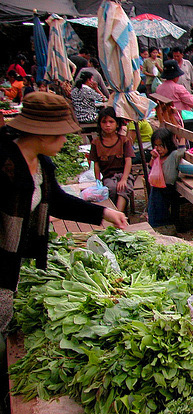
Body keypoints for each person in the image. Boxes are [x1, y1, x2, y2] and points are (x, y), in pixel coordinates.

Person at [0, 92, 127, 333]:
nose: (65, 141)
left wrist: (104, 214)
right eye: (62, 136)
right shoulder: (5, 164)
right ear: (42, 134)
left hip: (11, 261)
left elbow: (56, 201)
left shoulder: (41, 163)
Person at [90, 107, 135, 212]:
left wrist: (124, 179)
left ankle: (120, 214)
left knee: (123, 188)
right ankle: (116, 214)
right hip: (108, 176)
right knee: (112, 188)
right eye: (104, 122)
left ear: (117, 124)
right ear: (100, 124)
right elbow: (96, 164)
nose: (108, 125)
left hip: (125, 174)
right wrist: (98, 181)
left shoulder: (124, 141)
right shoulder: (96, 143)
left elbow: (128, 161)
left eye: (111, 122)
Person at [147, 128, 185, 228]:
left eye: (161, 145)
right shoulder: (157, 156)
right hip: (158, 186)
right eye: (156, 145)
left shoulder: (173, 155)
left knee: (160, 205)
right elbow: (150, 167)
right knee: (154, 204)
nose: (158, 148)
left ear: (168, 144)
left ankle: (162, 223)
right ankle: (156, 222)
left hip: (168, 187)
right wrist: (153, 158)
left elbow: (181, 151)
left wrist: (182, 136)